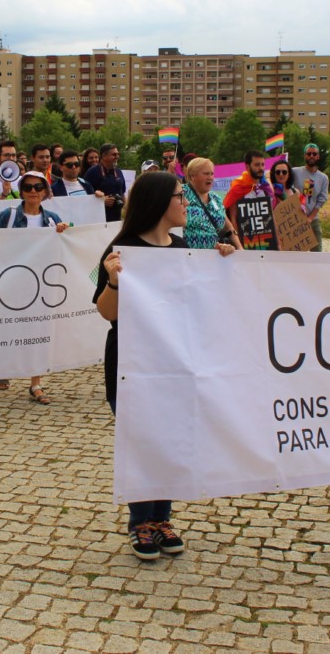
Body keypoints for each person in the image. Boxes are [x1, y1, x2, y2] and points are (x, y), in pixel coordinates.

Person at [95, 172, 234, 560]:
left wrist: (222, 261)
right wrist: (112, 280)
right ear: (159, 203)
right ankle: (140, 522)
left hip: (175, 360)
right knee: (143, 441)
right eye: (180, 196)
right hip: (131, 362)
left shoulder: (184, 245)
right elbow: (106, 312)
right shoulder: (121, 247)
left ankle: (162, 518)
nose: (186, 202)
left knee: (171, 438)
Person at [0, 171, 70, 403]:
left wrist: (65, 231)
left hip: (41, 284)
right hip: (13, 281)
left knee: (38, 331)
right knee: (11, 328)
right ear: (21, 190)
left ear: (46, 191)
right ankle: (3, 366)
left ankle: (35, 383)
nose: (33, 192)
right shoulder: (8, 216)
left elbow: (64, 248)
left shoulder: (52, 218)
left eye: (38, 187)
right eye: (28, 187)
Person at [183, 157, 241, 251]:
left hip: (215, 257)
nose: (210, 177)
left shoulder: (216, 198)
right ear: (193, 176)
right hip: (189, 256)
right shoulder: (182, 193)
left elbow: (228, 227)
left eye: (212, 173)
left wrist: (239, 247)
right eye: (206, 173)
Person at [291, 144, 330, 252]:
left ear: (318, 157)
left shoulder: (323, 178)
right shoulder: (294, 172)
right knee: (296, 253)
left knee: (317, 253)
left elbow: (322, 199)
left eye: (314, 154)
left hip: (313, 219)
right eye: (309, 154)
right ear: (305, 156)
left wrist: (310, 218)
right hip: (296, 220)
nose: (311, 156)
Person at [84, 143, 127, 221]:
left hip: (116, 217)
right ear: (104, 156)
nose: (117, 157)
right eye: (114, 154)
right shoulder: (93, 172)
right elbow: (84, 195)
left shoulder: (118, 171)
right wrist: (101, 201)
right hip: (98, 218)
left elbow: (123, 193)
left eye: (118, 154)